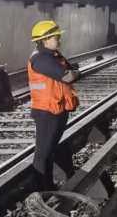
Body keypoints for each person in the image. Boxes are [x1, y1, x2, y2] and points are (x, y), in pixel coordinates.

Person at [27, 20, 80, 190]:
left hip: (57, 108)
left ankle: (48, 186)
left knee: (50, 150)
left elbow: (72, 70)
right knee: (43, 152)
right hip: (46, 112)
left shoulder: (53, 56)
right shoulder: (41, 58)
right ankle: (42, 189)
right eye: (56, 37)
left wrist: (74, 72)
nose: (59, 40)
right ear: (45, 39)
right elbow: (68, 76)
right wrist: (75, 73)